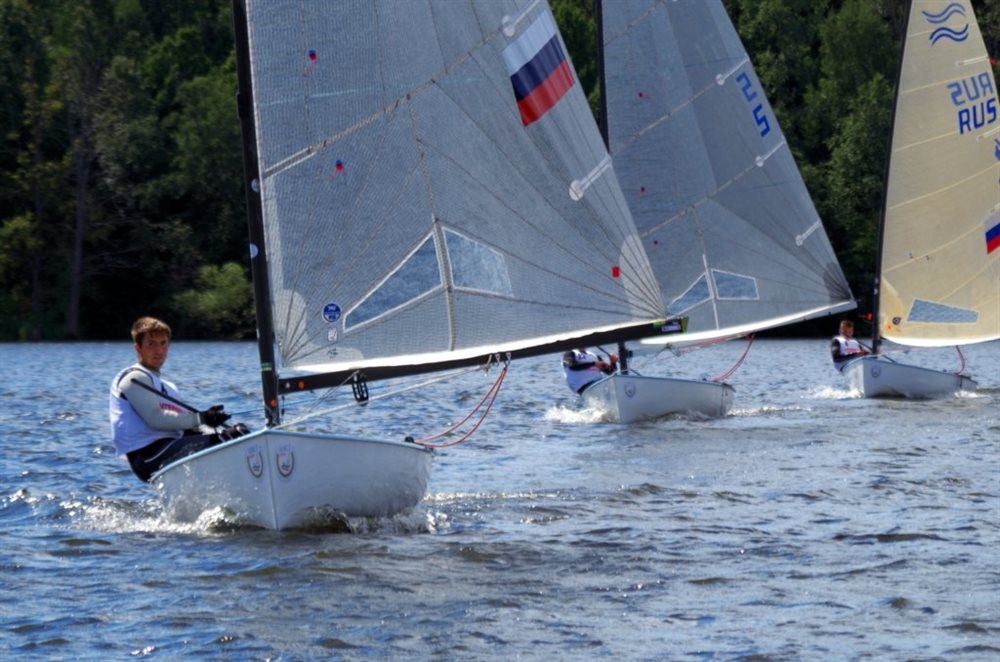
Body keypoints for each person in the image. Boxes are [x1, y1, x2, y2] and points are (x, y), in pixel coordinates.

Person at [109, 316, 249, 482]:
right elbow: (156, 419)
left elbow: (187, 427)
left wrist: (212, 424)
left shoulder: (169, 387)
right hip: (147, 457)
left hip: (171, 447)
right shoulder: (134, 378)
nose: (158, 350)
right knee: (227, 439)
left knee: (239, 434)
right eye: (151, 344)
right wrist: (202, 418)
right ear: (138, 348)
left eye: (163, 343)